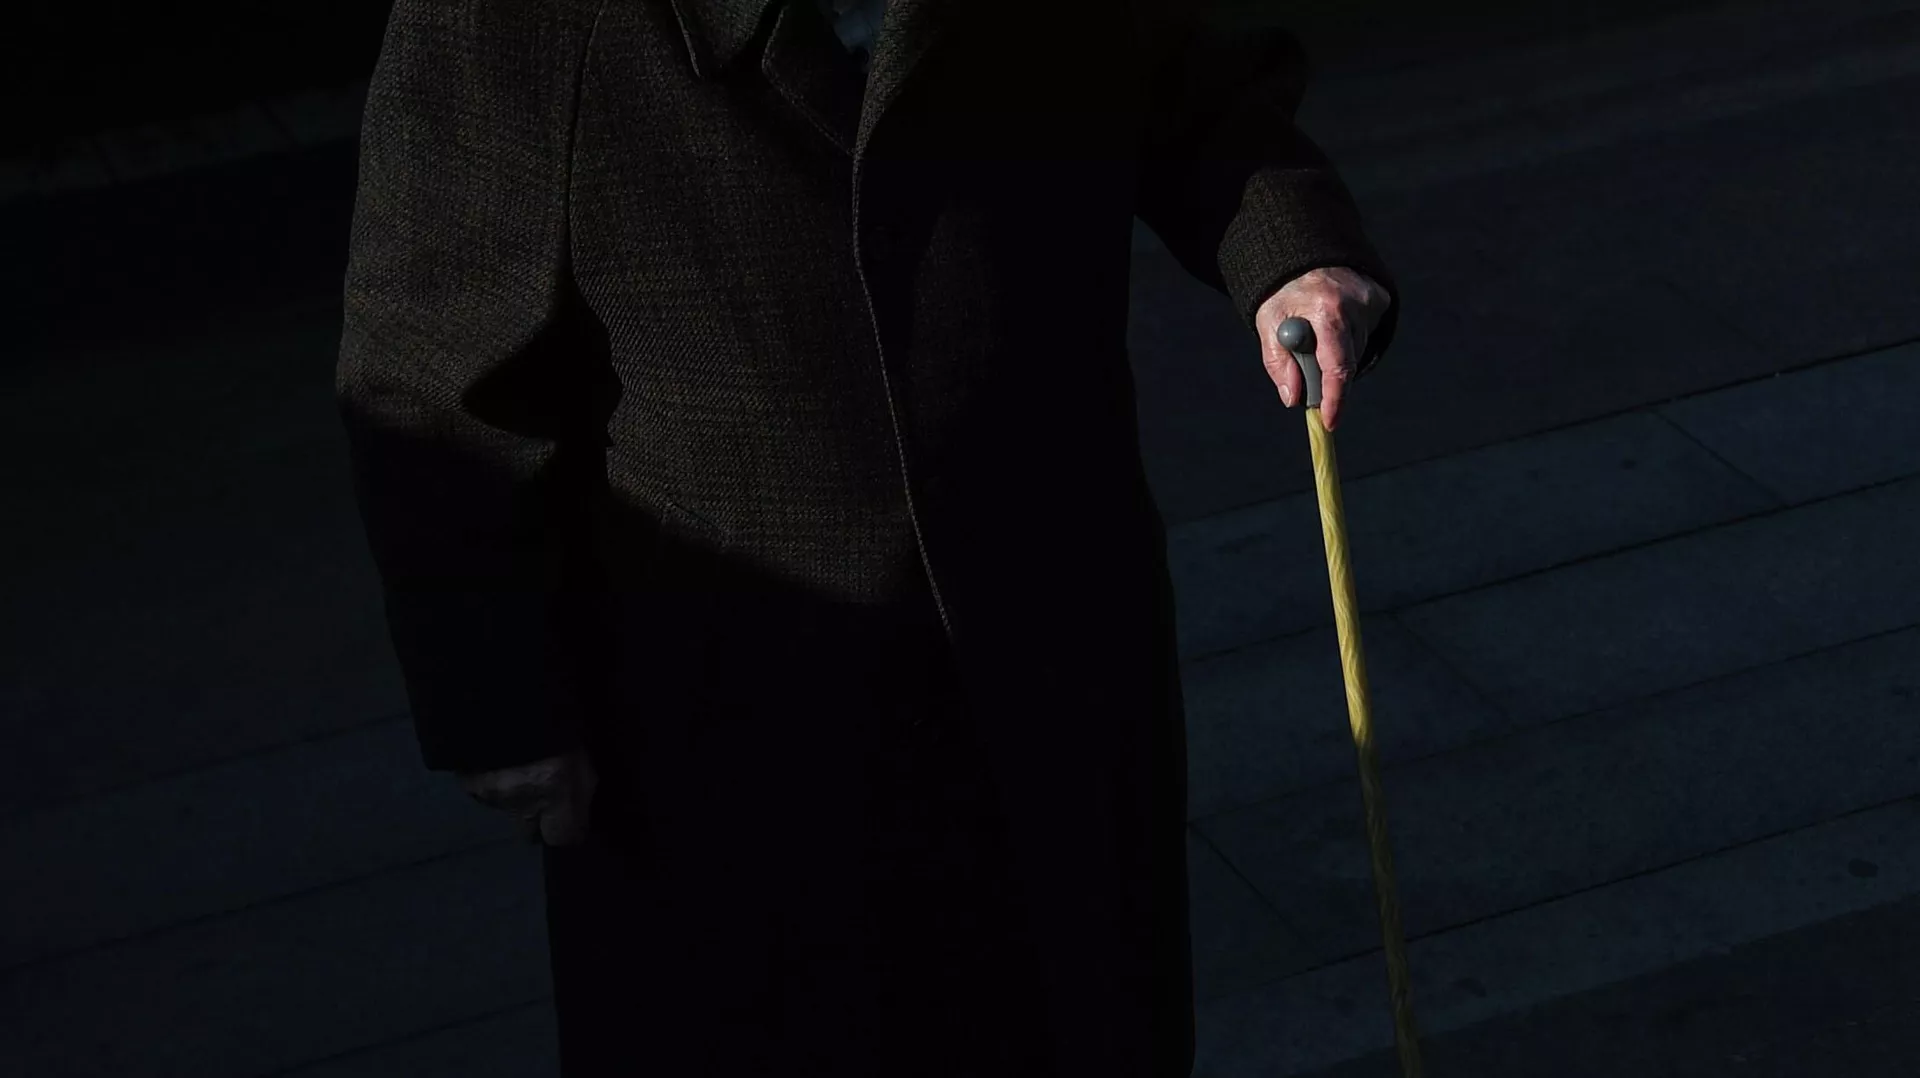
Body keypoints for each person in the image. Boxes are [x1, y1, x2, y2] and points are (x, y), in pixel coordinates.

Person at [334, 0, 1398, 1075]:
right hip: (728, 719)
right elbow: (425, 369)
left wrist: (1288, 246)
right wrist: (501, 695)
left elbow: (1193, 81)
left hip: (1053, 648)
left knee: (1077, 1020)